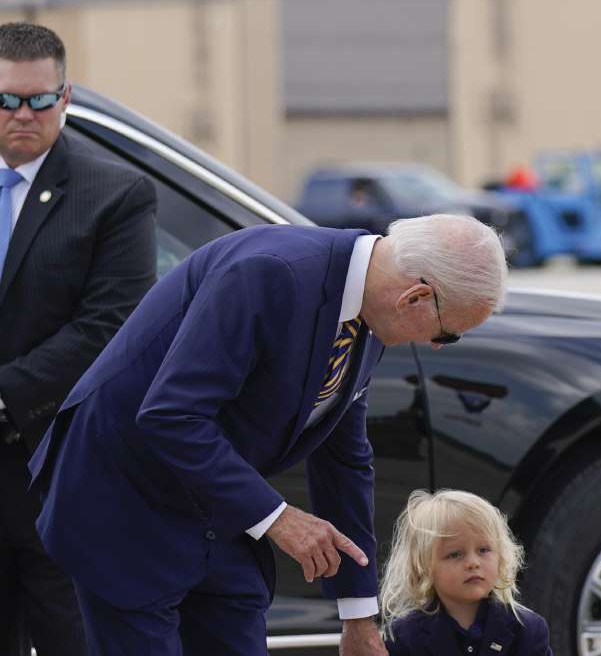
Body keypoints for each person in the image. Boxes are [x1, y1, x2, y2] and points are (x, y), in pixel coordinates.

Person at [28, 214, 507, 655]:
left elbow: (344, 458)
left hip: (216, 506)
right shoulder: (270, 271)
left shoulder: (368, 312)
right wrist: (279, 519)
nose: (434, 346)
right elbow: (171, 415)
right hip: (124, 498)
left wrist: (358, 615)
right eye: (448, 333)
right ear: (415, 298)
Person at [0, 22, 156, 656]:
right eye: (7, 99)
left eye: (40, 99)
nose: (23, 114)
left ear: (66, 98)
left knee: (69, 638)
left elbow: (110, 327)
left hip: (51, 470)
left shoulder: (114, 194)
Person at [379, 489, 552, 656]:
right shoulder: (404, 636)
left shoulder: (528, 629)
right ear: (422, 567)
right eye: (455, 554)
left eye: (483, 550)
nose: (473, 563)